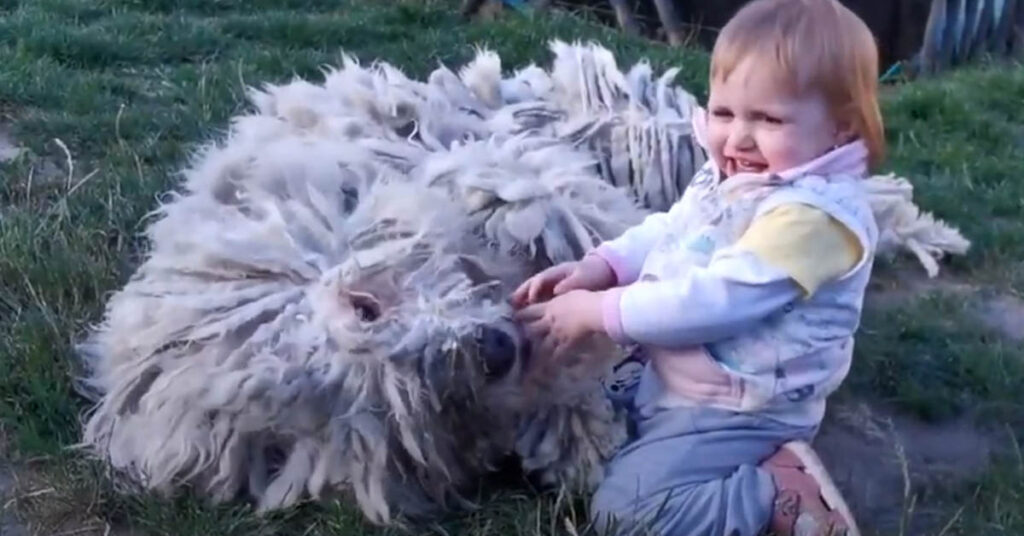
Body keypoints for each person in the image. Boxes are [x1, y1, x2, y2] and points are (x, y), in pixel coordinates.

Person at [510, 0, 885, 534]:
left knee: (629, 516)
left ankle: (776, 491)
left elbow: (716, 302)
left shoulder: (813, 219)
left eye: (769, 119)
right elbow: (674, 228)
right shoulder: (738, 174)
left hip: (740, 405)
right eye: (725, 112)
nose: (738, 138)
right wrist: (602, 267)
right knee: (565, 401)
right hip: (682, 375)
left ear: (842, 130)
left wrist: (598, 311)